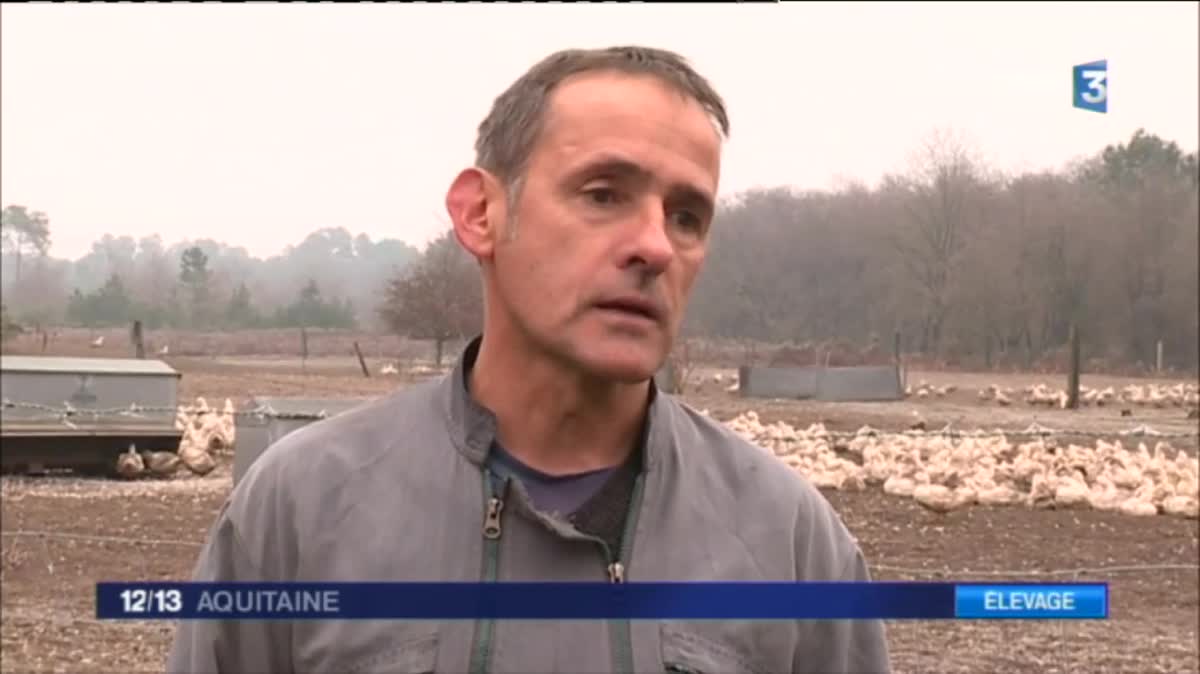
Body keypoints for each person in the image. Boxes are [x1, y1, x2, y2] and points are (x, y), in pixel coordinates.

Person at [167, 45, 892, 674]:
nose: (656, 246)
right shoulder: (299, 511)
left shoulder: (791, 542)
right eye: (604, 194)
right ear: (481, 214)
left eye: (686, 216)